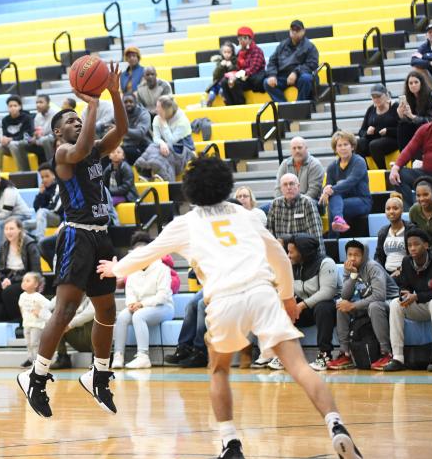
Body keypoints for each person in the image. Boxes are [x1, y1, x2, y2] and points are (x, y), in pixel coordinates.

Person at [97, 156, 362, 459]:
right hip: (262, 292)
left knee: (219, 369)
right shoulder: (244, 214)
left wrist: (116, 269)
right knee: (299, 366)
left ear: (191, 190)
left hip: (223, 301)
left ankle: (230, 442)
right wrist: (288, 297)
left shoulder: (184, 223)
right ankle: (336, 425)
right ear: (225, 184)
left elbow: (147, 253)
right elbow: (277, 254)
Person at [17, 61, 127, 418]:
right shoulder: (64, 155)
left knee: (108, 310)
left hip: (101, 237)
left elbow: (122, 128)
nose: (77, 122)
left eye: (79, 119)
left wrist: (114, 91)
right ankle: (36, 376)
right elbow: (79, 151)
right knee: (64, 310)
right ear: (56, 133)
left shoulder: (94, 149)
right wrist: (91, 105)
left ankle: (98, 372)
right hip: (76, 238)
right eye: (70, 121)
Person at [380, 227, 432, 372]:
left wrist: (417, 296)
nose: (412, 248)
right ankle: (398, 358)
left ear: (426, 245)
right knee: (396, 303)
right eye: (409, 245)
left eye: (416, 244)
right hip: (421, 305)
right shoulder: (406, 262)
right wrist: (405, 294)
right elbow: (405, 286)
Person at [327, 240, 398, 371]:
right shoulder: (349, 268)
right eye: (349, 254)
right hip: (368, 302)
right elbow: (345, 295)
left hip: (390, 302)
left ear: (364, 255)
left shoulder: (373, 267)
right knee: (341, 306)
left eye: (357, 255)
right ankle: (345, 354)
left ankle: (386, 353)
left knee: (374, 306)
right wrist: (352, 276)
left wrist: (353, 306)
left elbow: (380, 295)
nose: (352, 258)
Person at [111, 234, 173, 370]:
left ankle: (143, 357)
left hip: (164, 307)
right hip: (140, 307)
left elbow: (162, 296)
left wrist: (142, 304)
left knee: (139, 316)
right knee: (122, 317)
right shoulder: (132, 270)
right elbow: (130, 293)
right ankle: (118, 355)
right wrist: (132, 303)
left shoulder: (162, 269)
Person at [285, 234, 340, 372]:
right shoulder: (291, 265)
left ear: (303, 252)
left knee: (323, 306)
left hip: (332, 309)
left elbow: (327, 292)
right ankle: (285, 355)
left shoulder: (326, 263)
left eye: (291, 252)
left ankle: (325, 354)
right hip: (306, 309)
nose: (288, 255)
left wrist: (302, 305)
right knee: (283, 308)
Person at [0, 217, 40, 323]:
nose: (8, 232)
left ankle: (18, 321)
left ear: (19, 229)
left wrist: (12, 280)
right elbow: (0, 269)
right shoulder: (4, 246)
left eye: (12, 229)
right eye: (6, 229)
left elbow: (35, 271)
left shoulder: (29, 244)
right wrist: (4, 279)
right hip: (8, 279)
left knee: (9, 292)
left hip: (26, 279)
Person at [389, 98, 432, 207]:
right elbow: (409, 149)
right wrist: (396, 167)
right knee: (398, 175)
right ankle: (410, 210)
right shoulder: (424, 129)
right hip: (426, 173)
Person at [319, 131, 371, 237]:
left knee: (333, 201)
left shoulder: (359, 161)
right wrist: (326, 189)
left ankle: (332, 241)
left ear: (352, 147)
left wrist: (329, 190)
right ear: (336, 149)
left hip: (362, 201)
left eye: (346, 144)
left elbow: (350, 182)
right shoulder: (332, 167)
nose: (343, 148)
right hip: (340, 201)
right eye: (339, 145)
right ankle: (339, 221)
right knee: (334, 197)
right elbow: (328, 185)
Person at [134, 95, 194, 182]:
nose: (156, 109)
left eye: (158, 107)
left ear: (166, 110)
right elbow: (156, 138)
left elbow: (171, 141)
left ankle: (165, 178)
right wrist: (162, 143)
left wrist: (164, 124)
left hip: (184, 150)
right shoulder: (157, 118)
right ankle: (146, 173)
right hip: (166, 146)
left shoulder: (182, 121)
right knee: (152, 146)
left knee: (163, 151)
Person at [263, 20, 319, 102]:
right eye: (293, 30)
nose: (295, 32)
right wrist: (272, 75)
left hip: (301, 75)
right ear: (290, 31)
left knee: (306, 78)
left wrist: (295, 72)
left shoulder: (310, 46)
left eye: (298, 30)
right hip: (284, 76)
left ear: (303, 31)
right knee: (267, 82)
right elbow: (272, 61)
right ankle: (284, 106)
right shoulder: (282, 45)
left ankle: (300, 105)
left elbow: (312, 64)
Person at [267, 174, 324, 250]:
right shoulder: (275, 204)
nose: (288, 187)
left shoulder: (307, 203)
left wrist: (319, 259)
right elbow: (269, 235)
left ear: (298, 186)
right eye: (285, 185)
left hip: (303, 252)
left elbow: (316, 235)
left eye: (291, 184)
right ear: (281, 188)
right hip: (282, 252)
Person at [0, 168, 33, 250]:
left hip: (21, 215)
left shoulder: (9, 190)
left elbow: (6, 213)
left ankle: (5, 249)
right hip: (2, 216)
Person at [355, 84, 399, 169]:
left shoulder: (394, 107)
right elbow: (361, 132)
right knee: (358, 143)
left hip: (392, 139)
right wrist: (367, 132)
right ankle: (365, 170)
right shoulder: (371, 109)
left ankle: (382, 171)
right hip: (374, 140)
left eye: (378, 96)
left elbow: (402, 129)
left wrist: (388, 131)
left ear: (386, 96)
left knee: (374, 145)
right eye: (373, 97)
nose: (376, 99)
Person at [221, 26, 266, 106]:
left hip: (253, 79)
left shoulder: (256, 51)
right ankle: (230, 106)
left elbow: (253, 69)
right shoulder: (240, 52)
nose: (242, 41)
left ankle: (240, 105)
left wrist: (237, 75)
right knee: (224, 81)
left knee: (235, 82)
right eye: (240, 38)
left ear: (250, 39)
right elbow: (237, 67)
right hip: (243, 78)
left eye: (245, 38)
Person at [163, 289, 208, 368]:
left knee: (202, 304)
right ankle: (184, 348)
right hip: (212, 282)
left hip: (224, 284)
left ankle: (200, 352)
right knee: (191, 304)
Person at [48, 295, 95, 370]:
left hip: (93, 339)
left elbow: (92, 312)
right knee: (56, 317)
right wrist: (61, 295)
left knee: (94, 319)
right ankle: (62, 357)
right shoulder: (70, 291)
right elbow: (48, 307)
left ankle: (97, 359)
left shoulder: (95, 291)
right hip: (75, 337)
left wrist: (70, 324)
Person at [272, 136, 325, 202]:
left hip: (309, 202)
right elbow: (278, 188)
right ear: (290, 150)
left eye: (299, 148)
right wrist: (283, 203)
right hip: (286, 202)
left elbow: (313, 192)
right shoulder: (285, 164)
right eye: (294, 148)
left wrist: (296, 205)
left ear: (306, 148)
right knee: (262, 209)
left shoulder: (315, 165)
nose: (297, 151)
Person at [18, 272, 51, 368]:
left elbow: (49, 305)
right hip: (27, 323)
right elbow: (21, 307)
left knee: (35, 343)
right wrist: (24, 318)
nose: (24, 282)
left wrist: (40, 311)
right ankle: (30, 358)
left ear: (36, 284)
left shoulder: (38, 297)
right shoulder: (22, 296)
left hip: (37, 324)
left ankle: (38, 361)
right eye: (23, 280)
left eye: (28, 281)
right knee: (28, 343)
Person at [375, 195, 412, 279]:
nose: (391, 211)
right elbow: (378, 256)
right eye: (388, 209)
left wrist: (401, 269)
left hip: (406, 273)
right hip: (387, 274)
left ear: (402, 210)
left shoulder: (410, 229)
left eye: (395, 208)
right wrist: (380, 272)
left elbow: (415, 255)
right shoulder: (382, 232)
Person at [397, 71, 432, 151]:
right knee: (402, 125)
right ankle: (403, 159)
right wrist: (401, 115)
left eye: (416, 82)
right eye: (410, 83)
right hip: (415, 127)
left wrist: (412, 116)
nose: (413, 85)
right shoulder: (408, 97)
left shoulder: (431, 95)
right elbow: (408, 121)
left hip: (429, 128)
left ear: (421, 83)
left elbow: (431, 120)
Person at [0, 95, 34, 172]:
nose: (12, 108)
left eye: (15, 105)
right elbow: (5, 134)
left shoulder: (27, 118)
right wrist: (4, 139)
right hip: (10, 145)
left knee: (13, 144)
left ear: (20, 107)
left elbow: (27, 135)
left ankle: (21, 171)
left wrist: (11, 139)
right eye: (10, 106)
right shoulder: (5, 120)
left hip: (24, 144)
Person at [18, 94, 58, 168]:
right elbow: (37, 132)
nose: (38, 105)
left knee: (45, 140)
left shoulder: (55, 113)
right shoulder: (38, 116)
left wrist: (39, 139)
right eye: (37, 103)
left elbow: (56, 134)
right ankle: (25, 171)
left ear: (48, 103)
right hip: (40, 141)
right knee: (21, 144)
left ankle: (53, 167)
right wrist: (34, 138)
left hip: (53, 140)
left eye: (41, 102)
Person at [408, 176, 432, 248]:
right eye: (418, 195)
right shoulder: (413, 211)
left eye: (425, 194)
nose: (421, 199)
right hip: (424, 253)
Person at [410, 22, 432, 95]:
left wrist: (424, 56)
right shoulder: (424, 47)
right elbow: (413, 61)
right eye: (430, 32)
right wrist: (430, 63)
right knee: (417, 68)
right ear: (426, 35)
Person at [121, 94, 153, 164]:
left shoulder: (144, 114)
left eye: (131, 102)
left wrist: (121, 130)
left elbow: (140, 133)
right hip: (127, 146)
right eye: (125, 102)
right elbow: (109, 123)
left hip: (143, 147)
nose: (128, 104)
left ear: (136, 103)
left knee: (119, 154)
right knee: (108, 153)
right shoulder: (120, 114)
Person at [33, 163, 61, 240]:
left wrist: (43, 209)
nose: (44, 179)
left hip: (58, 218)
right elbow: (36, 208)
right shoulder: (44, 189)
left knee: (42, 212)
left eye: (47, 176)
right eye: (42, 177)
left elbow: (56, 208)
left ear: (54, 175)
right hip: (45, 217)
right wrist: (40, 194)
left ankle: (39, 240)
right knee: (24, 224)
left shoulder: (59, 186)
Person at [204, 42, 237, 106]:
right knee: (213, 89)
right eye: (225, 52)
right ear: (222, 53)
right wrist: (221, 66)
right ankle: (210, 100)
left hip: (227, 84)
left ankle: (225, 100)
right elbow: (215, 75)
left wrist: (230, 66)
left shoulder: (234, 61)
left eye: (229, 52)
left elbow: (235, 72)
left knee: (222, 90)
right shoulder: (220, 62)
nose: (227, 54)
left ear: (232, 53)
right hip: (218, 83)